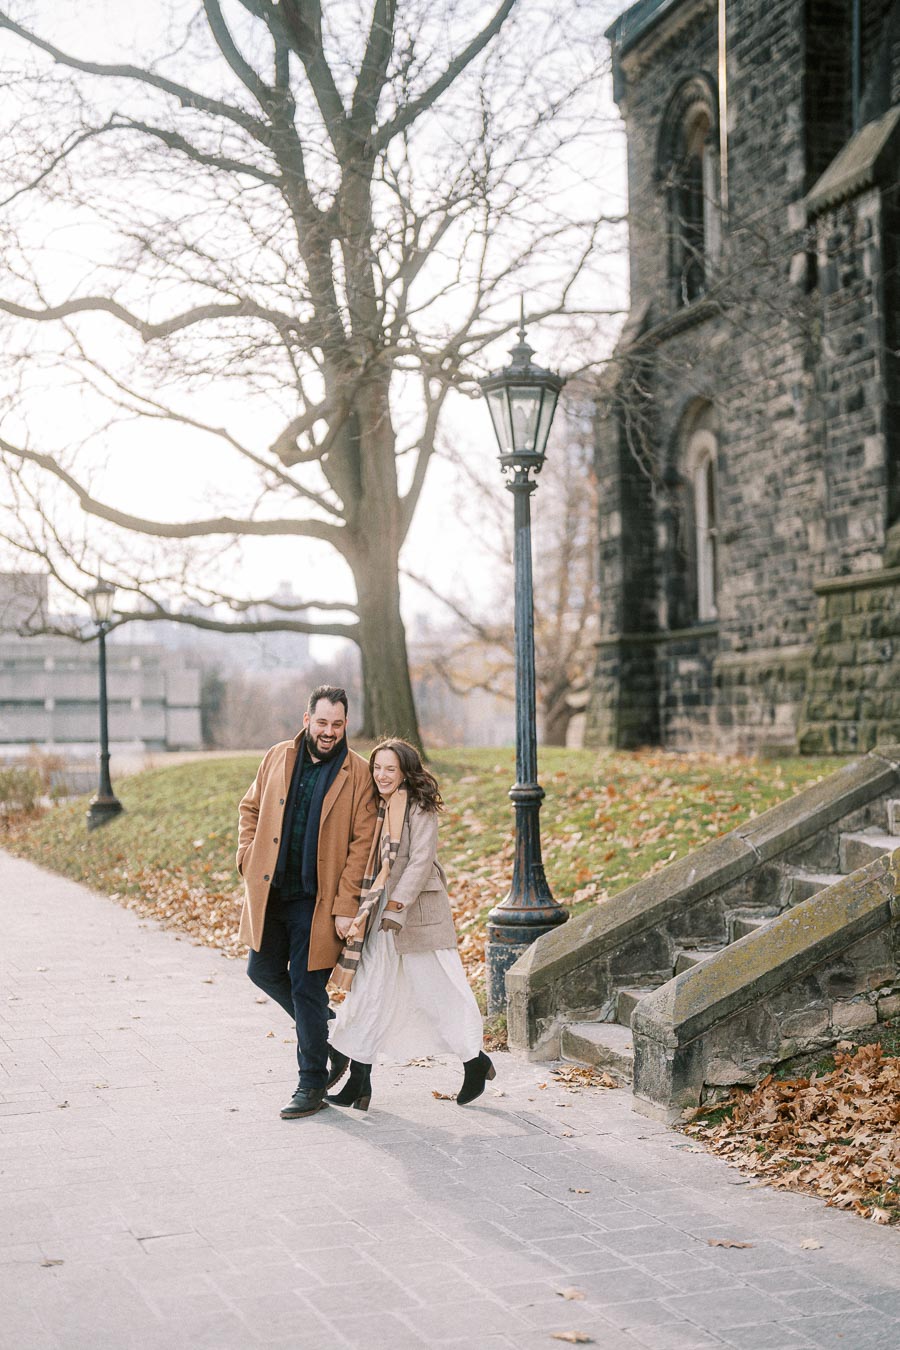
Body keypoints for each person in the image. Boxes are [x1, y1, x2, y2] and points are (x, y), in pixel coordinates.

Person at [328, 737, 495, 1110]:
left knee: (440, 990)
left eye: (390, 769)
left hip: (416, 915)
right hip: (378, 914)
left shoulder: (419, 806)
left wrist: (397, 905)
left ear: (405, 772)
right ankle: (359, 1081)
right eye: (377, 768)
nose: (382, 775)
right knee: (368, 991)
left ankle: (475, 1061)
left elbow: (421, 860)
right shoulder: (376, 807)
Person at [236, 686, 377, 1119]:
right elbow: (250, 808)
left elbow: (362, 845)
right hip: (272, 893)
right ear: (307, 720)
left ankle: (311, 1083)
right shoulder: (277, 756)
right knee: (261, 970)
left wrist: (345, 905)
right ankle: (331, 1040)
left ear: (346, 725)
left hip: (318, 903)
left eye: (337, 724)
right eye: (322, 723)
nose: (328, 732)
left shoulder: (358, 773)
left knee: (306, 987)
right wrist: (246, 856)